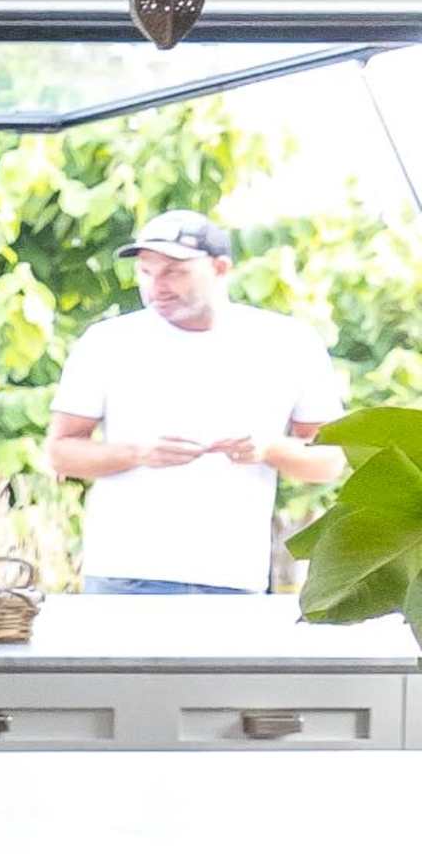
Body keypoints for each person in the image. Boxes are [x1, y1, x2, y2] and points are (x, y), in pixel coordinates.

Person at [46, 209, 342, 604]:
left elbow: (331, 460)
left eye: (174, 272)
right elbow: (60, 452)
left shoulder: (289, 343)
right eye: (146, 272)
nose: (156, 288)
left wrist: (269, 449)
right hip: (125, 573)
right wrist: (139, 453)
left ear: (220, 268)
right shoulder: (106, 343)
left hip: (235, 577)